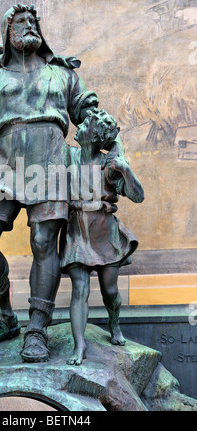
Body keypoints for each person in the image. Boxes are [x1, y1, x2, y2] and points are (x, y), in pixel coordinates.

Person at [0, 3, 118, 363]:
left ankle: (37, 329)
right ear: (7, 31)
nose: (29, 25)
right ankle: (3, 317)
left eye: (33, 21)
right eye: (20, 21)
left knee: (43, 241)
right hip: (4, 164)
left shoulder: (61, 74)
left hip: (50, 162)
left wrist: (107, 138)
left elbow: (90, 114)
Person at [60, 110, 144, 366]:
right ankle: (80, 345)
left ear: (94, 136)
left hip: (105, 233)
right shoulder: (67, 156)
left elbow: (138, 196)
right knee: (80, 289)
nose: (80, 125)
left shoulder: (110, 165)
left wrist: (126, 169)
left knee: (110, 291)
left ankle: (114, 324)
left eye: (85, 124)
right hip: (77, 232)